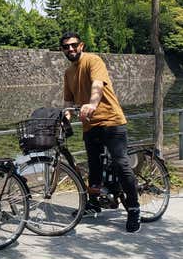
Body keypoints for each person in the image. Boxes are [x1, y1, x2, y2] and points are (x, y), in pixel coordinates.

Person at [60, 31, 141, 232]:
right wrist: (65, 117)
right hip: (90, 125)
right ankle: (94, 203)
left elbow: (97, 86)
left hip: (111, 120)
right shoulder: (68, 72)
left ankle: (133, 208)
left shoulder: (93, 61)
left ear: (81, 45)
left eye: (73, 45)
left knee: (121, 163)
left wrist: (92, 104)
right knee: (94, 167)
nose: (70, 49)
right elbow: (69, 102)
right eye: (65, 47)